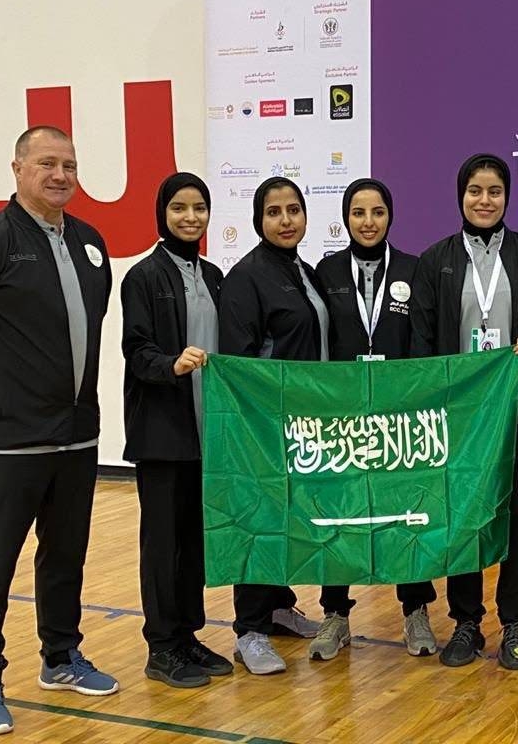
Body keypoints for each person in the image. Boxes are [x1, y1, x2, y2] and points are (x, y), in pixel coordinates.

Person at [0, 126, 117, 736]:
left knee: (65, 555)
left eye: (69, 164)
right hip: (9, 441)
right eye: (46, 163)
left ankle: (61, 655)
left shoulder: (92, 245)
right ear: (17, 168)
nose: (60, 174)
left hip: (77, 437)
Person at [410, 153, 518, 670]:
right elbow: (421, 341)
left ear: (507, 197)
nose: (485, 200)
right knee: (466, 519)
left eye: (494, 191)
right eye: (475, 191)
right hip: (460, 417)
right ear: (461, 196)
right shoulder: (436, 261)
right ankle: (466, 622)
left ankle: (516, 622)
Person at [314, 178, 439, 660]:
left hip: (398, 416)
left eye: (378, 212)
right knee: (338, 513)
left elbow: (424, 341)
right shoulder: (325, 272)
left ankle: (415, 611)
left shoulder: (414, 269)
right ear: (346, 218)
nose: (369, 222)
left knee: (407, 512)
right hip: (341, 419)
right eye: (359, 213)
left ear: (391, 216)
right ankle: (335, 614)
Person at [121, 172, 235, 688]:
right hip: (164, 434)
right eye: (179, 208)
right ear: (162, 214)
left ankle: (188, 635)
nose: (190, 217)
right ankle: (161, 646)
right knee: (162, 541)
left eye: (199, 208)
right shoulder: (143, 277)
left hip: (205, 434)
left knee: (193, 541)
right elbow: (137, 351)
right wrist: (173, 364)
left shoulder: (213, 276)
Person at [219, 177, 325, 674]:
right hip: (268, 425)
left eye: (293, 210)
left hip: (308, 423)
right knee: (262, 520)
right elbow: (241, 362)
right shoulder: (247, 277)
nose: (285, 220)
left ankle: (279, 605)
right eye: (274, 212)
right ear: (258, 220)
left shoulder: (306, 270)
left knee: (289, 519)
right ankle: (250, 630)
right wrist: (263, 419)